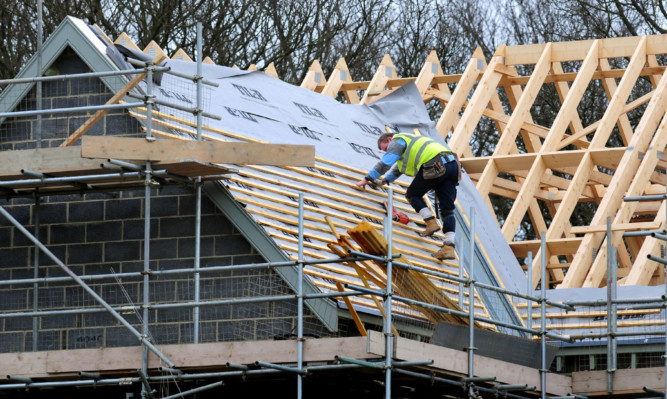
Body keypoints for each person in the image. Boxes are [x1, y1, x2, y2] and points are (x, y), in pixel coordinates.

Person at [355, 131, 460, 260]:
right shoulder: (411, 143)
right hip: (452, 165)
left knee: (412, 195)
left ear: (389, 139)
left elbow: (385, 163)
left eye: (386, 148)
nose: (387, 151)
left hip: (435, 163)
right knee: (447, 210)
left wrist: (367, 178)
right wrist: (384, 181)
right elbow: (398, 169)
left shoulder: (398, 140)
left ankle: (431, 222)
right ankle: (449, 247)